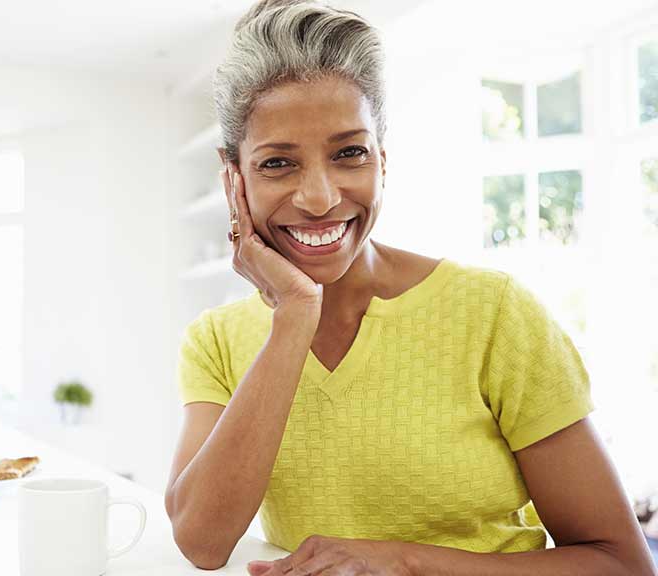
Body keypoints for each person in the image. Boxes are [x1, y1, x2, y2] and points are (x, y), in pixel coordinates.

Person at [163, 1, 657, 574]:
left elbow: (620, 563)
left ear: (382, 157)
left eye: (350, 153)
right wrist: (295, 314)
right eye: (277, 164)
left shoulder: (493, 313)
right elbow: (202, 541)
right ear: (233, 178)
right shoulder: (217, 340)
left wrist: (403, 561)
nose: (320, 198)